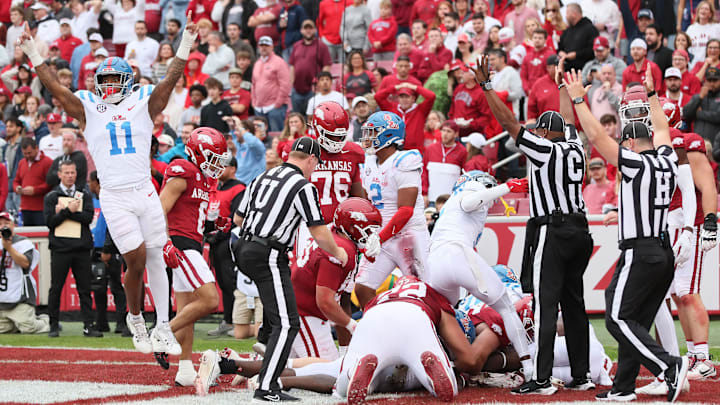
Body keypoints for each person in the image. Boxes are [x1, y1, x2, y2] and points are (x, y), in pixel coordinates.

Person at [16, 15, 199, 355]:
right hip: (114, 194)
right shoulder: (89, 106)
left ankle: (161, 325)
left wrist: (185, 44)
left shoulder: (143, 99)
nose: (110, 85)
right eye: (105, 79)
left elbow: (170, 81)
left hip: (144, 188)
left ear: (128, 81)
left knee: (159, 256)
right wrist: (31, 50)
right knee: (136, 258)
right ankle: (135, 318)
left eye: (116, 79)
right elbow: (56, 89)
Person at [566, 64, 690, 402]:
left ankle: (669, 366)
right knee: (634, 319)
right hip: (662, 251)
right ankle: (623, 387)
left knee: (617, 318)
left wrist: (579, 100)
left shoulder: (637, 162)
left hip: (641, 251)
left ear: (632, 142)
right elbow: (662, 130)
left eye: (626, 142)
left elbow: (595, 137)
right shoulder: (665, 159)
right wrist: (651, 96)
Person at [473, 54, 594, 394]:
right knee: (574, 304)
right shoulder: (574, 147)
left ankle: (540, 379)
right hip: (580, 230)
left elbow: (510, 124)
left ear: (543, 132)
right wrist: (561, 88)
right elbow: (568, 121)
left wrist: (487, 88)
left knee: (544, 304)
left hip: (551, 229)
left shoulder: (545, 150)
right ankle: (581, 375)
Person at [232, 136, 349, 402]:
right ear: (311, 160)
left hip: (245, 247)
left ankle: (262, 342)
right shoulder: (302, 186)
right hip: (268, 252)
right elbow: (319, 232)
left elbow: (238, 217)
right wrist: (340, 253)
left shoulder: (263, 177)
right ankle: (267, 386)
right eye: (315, 165)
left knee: (278, 317)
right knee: (287, 324)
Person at [425, 169, 535, 382]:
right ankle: (529, 368)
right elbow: (470, 202)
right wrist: (507, 187)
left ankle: (435, 359)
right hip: (456, 252)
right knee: (506, 308)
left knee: (441, 315)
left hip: (436, 260)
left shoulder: (449, 206)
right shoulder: (472, 188)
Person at [334, 276, 488, 404]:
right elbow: (469, 360)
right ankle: (436, 375)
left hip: (373, 317)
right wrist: (459, 371)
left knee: (343, 386)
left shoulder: (382, 296)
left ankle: (350, 374)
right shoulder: (432, 295)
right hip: (415, 316)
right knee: (448, 383)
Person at [159, 127, 230, 384]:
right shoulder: (184, 170)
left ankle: (185, 369)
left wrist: (214, 225)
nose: (216, 165)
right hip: (181, 245)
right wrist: (165, 242)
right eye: (212, 157)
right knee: (210, 299)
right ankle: (162, 334)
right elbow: (159, 209)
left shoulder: (202, 178)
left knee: (187, 309)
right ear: (197, 153)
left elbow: (191, 216)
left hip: (192, 243)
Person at [290, 198, 382, 360]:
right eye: (368, 230)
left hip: (306, 311)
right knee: (327, 373)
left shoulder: (336, 233)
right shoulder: (341, 251)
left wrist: (346, 348)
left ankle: (249, 365)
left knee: (284, 364)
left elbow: (339, 299)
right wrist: (353, 325)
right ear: (352, 228)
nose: (372, 235)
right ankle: (249, 367)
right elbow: (325, 301)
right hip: (303, 313)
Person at [355, 112, 429, 308]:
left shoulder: (405, 160)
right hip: (382, 237)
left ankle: (431, 334)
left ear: (388, 136)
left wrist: (380, 237)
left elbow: (406, 210)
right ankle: (379, 329)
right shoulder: (370, 162)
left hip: (408, 237)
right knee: (362, 288)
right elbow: (366, 201)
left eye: (372, 133)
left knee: (422, 293)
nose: (367, 138)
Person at [44, 160, 101, 338]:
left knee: (84, 289)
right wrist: (69, 211)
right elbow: (50, 223)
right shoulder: (52, 196)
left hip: (81, 249)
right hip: (60, 249)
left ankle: (88, 326)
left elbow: (88, 217)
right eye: (66, 172)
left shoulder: (84, 193)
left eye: (72, 172)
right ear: (59, 174)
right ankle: (53, 325)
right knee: (56, 288)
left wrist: (65, 212)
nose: (70, 176)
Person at [206, 157, 246, 337]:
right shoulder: (215, 188)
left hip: (229, 241)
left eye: (224, 166)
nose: (219, 169)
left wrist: (220, 235)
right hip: (215, 240)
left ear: (233, 168)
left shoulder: (239, 188)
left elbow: (236, 217)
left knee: (231, 281)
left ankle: (235, 321)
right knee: (222, 282)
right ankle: (227, 320)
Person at [88, 170, 129, 335]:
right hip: (96, 249)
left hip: (110, 249)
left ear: (95, 183)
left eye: (90, 182)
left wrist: (107, 248)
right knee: (99, 286)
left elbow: (111, 227)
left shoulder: (109, 200)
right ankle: (102, 321)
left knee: (116, 286)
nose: (89, 185)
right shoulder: (93, 202)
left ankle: (121, 322)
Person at [0, 211, 46, 334]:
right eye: (0, 224)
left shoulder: (23, 242)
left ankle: (45, 321)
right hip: (2, 297)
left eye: (6, 223)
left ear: (13, 225)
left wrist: (8, 247)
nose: (3, 226)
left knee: (28, 328)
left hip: (21, 297)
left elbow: (26, 263)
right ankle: (14, 323)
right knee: (3, 329)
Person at [374, 83, 436, 153]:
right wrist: (396, 87)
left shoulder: (420, 110)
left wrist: (413, 87)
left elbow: (431, 96)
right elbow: (378, 97)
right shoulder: (392, 108)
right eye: (401, 97)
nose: (404, 100)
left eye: (407, 97)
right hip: (394, 150)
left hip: (414, 151)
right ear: (398, 98)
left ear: (413, 98)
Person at [289, 20, 331, 116]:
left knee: (313, 117)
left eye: (310, 28)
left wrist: (320, 84)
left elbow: (326, 66)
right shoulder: (296, 45)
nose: (308, 31)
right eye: (305, 28)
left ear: (315, 30)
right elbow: (292, 65)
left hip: (313, 89)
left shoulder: (321, 46)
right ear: (301, 31)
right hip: (297, 89)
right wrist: (292, 81)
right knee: (297, 118)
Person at [252, 36, 291, 132]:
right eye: (261, 45)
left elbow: (285, 84)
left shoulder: (279, 62)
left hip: (274, 107)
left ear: (272, 47)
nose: (263, 48)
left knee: (276, 136)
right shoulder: (257, 63)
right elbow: (253, 84)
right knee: (261, 137)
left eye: (266, 45)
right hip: (259, 108)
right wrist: (254, 102)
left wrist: (277, 104)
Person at [421, 120, 467, 203]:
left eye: (449, 131)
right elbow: (424, 172)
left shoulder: (462, 151)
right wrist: (424, 193)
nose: (445, 134)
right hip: (432, 199)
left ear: (456, 134)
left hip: (452, 200)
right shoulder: (430, 149)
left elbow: (464, 175)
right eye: (443, 130)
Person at [14, 137, 53, 226]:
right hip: (25, 207)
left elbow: (51, 184)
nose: (27, 156)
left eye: (29, 153)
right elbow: (16, 180)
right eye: (25, 154)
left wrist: (35, 190)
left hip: (41, 207)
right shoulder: (22, 163)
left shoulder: (48, 162)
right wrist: (17, 188)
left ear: (36, 148)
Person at [683, 67, 720, 144]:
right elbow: (686, 114)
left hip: (716, 143)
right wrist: (700, 97)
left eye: (715, 80)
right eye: (709, 80)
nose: (712, 83)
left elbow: (718, 117)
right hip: (699, 142)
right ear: (705, 81)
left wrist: (698, 114)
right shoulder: (698, 97)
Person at [558, 3, 599, 72]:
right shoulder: (567, 31)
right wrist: (561, 52)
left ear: (574, 14)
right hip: (567, 68)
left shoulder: (590, 29)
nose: (566, 16)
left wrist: (577, 54)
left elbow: (593, 49)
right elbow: (560, 46)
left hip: (584, 69)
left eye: (567, 13)